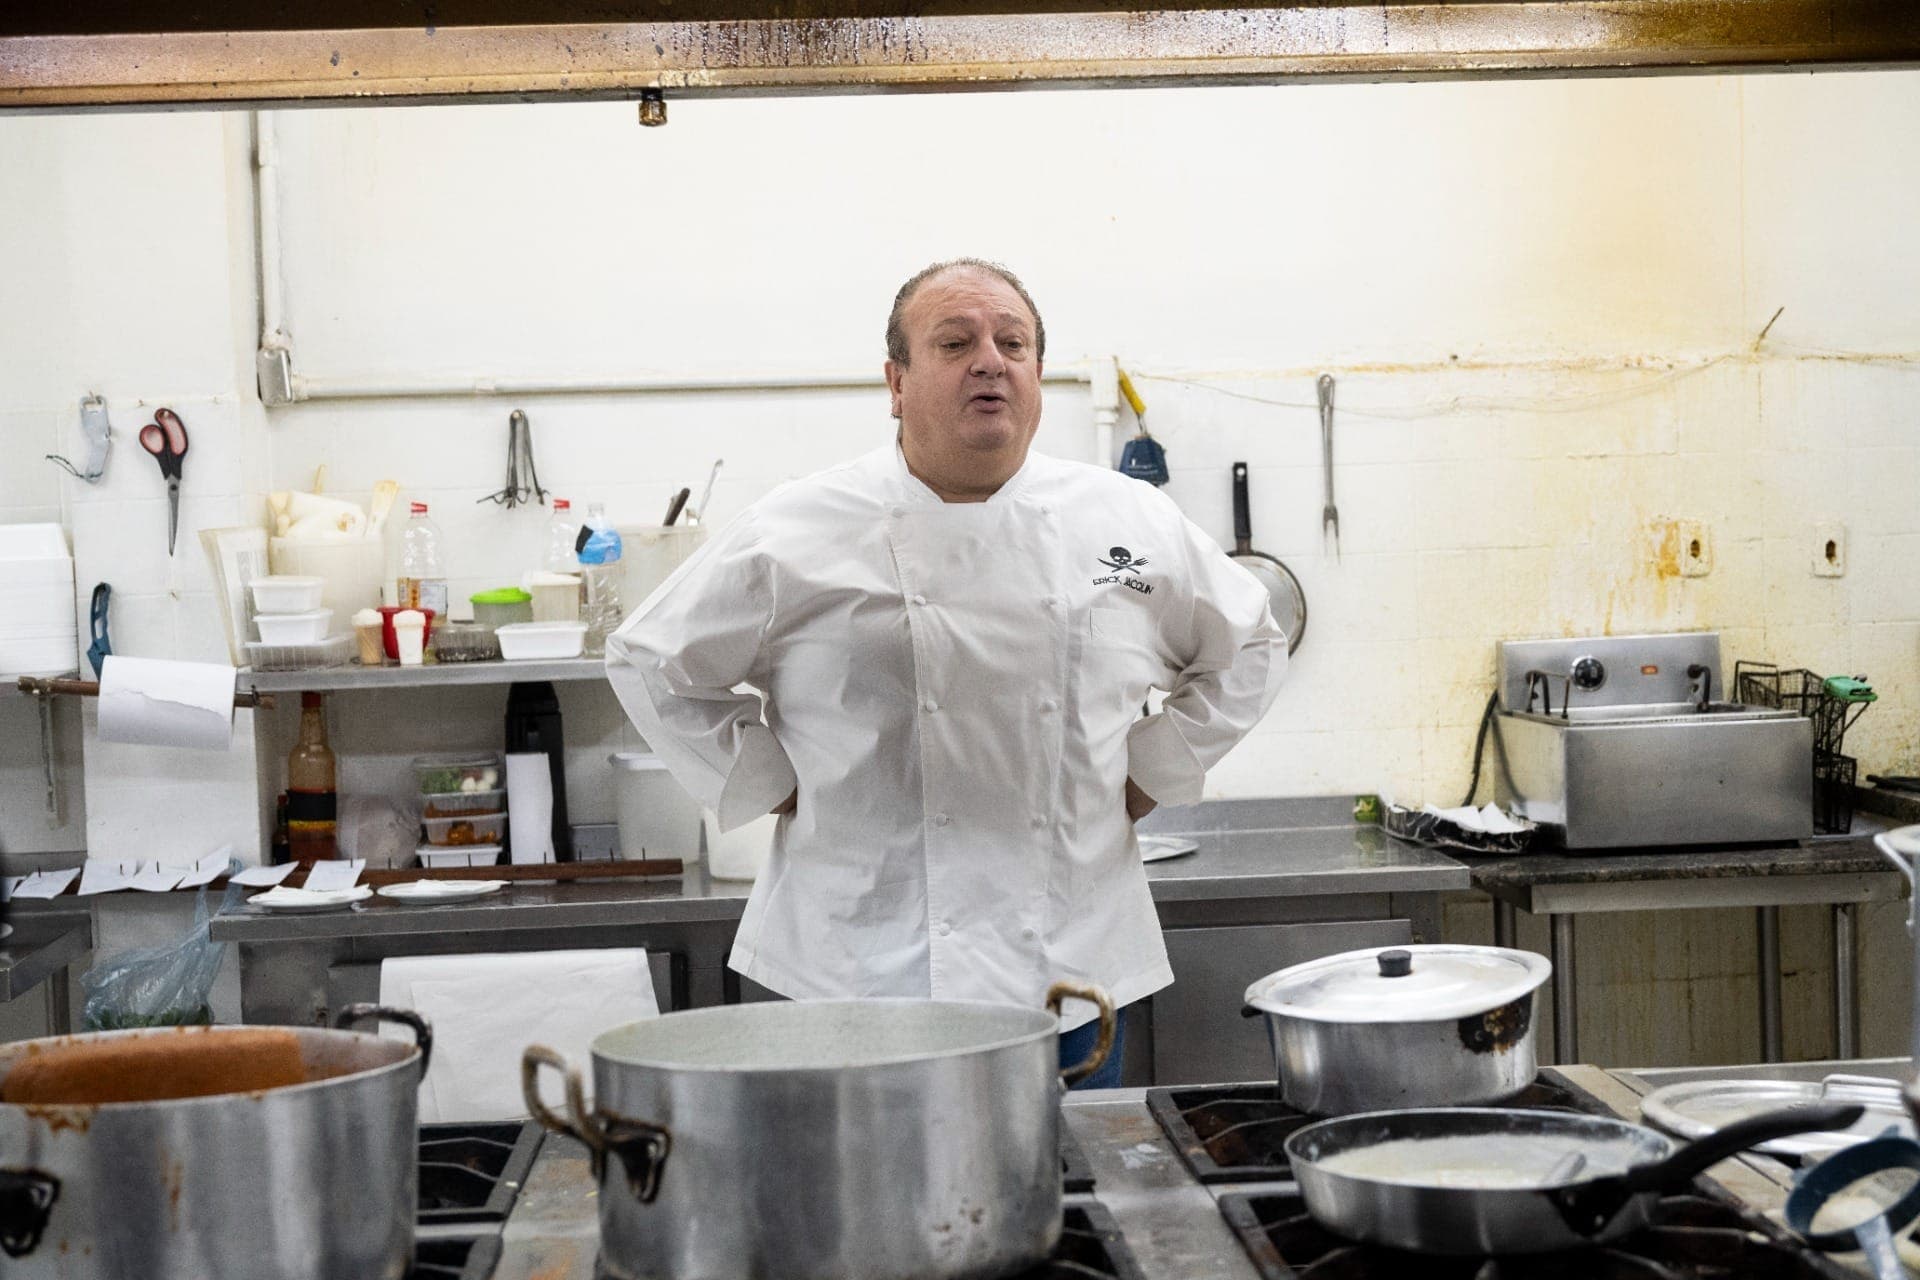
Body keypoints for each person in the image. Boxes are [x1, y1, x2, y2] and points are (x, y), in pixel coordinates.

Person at [606, 258, 1286, 1088]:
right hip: (853, 972)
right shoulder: (798, 527)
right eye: (955, 342)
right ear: (896, 382)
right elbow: (649, 659)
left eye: (1014, 343)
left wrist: (1156, 767)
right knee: (858, 1207)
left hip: (1065, 974)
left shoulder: (1125, 518)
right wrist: (768, 779)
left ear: (1037, 372)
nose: (990, 360)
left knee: (1056, 1202)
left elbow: (1251, 643)